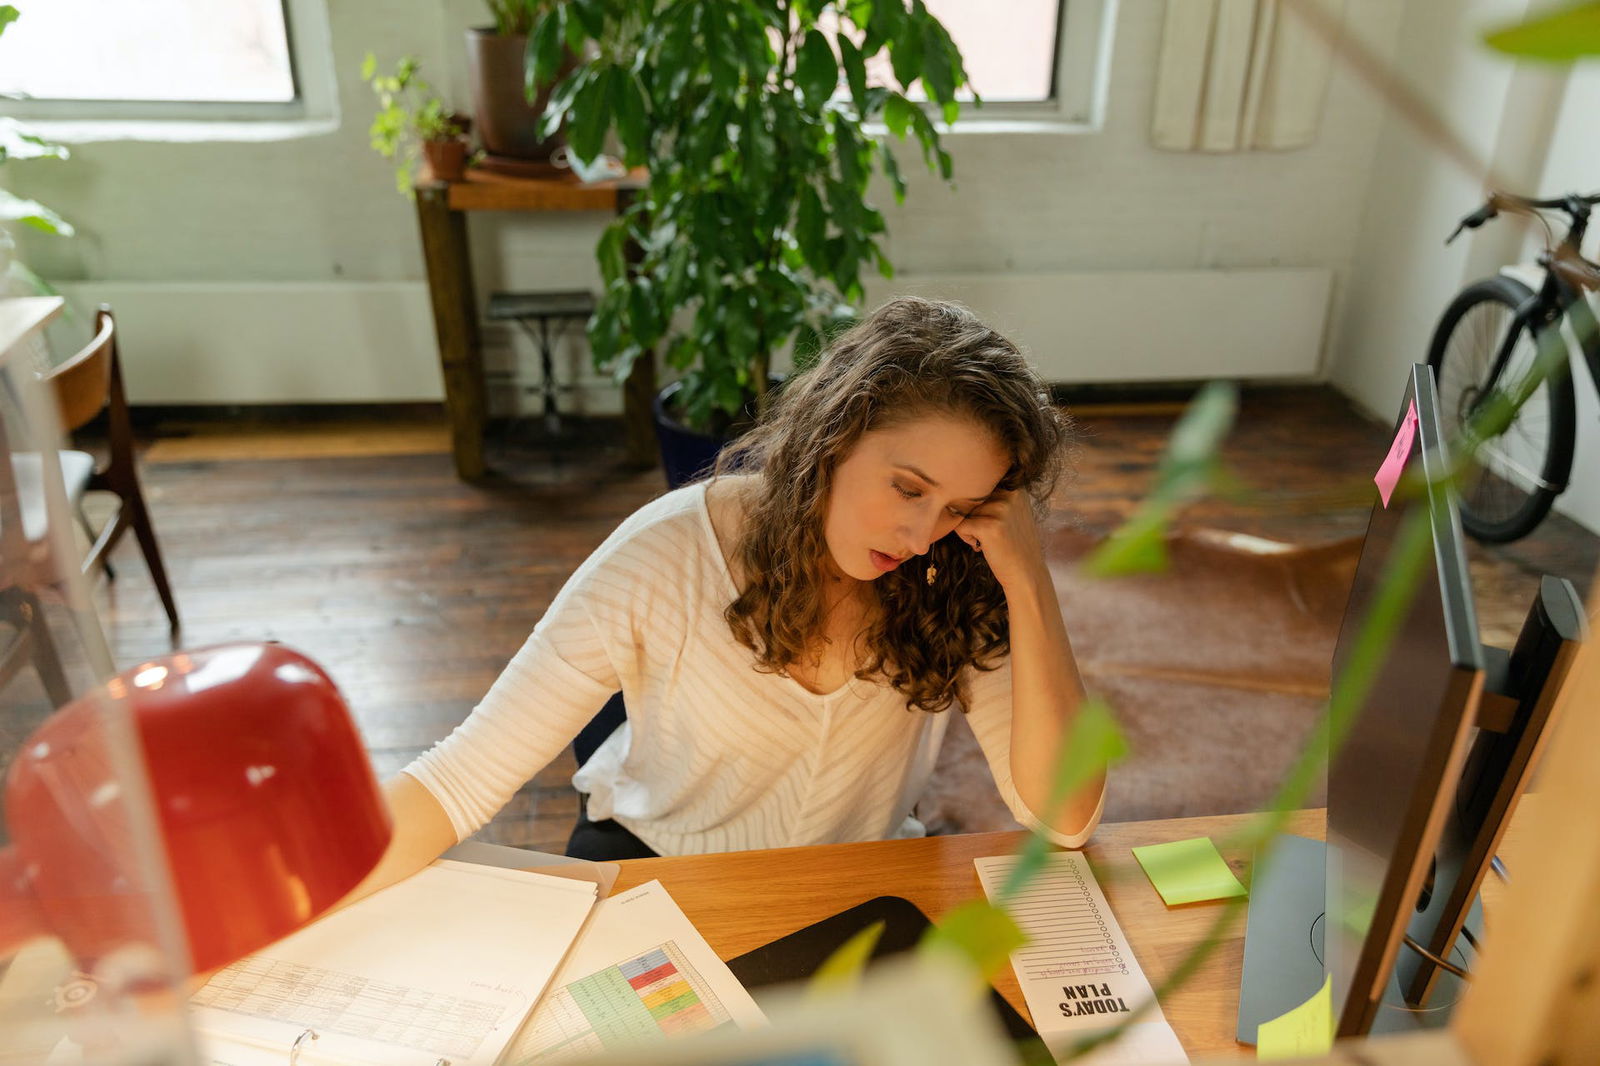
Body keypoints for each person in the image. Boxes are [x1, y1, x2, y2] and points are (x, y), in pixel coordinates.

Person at [355, 296, 1104, 888]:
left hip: (853, 884)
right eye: (908, 488)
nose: (919, 535)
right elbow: (460, 777)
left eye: (956, 508)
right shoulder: (664, 553)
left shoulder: (952, 571)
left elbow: (1064, 820)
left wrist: (1029, 581)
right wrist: (287, 908)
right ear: (836, 433)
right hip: (654, 859)